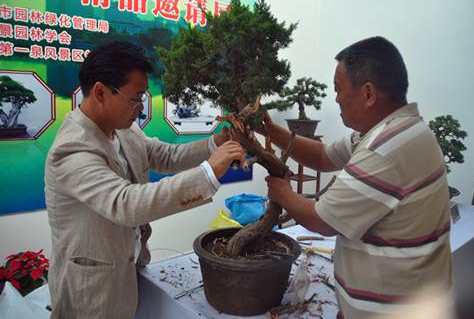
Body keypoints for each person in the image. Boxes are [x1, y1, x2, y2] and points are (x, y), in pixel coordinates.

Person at [44, 41, 245, 318]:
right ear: (101, 92)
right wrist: (208, 173)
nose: (140, 107)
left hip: (128, 269)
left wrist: (216, 143)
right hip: (91, 292)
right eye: (135, 98)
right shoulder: (72, 148)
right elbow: (125, 203)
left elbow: (167, 156)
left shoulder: (123, 130)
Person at [266, 36, 451, 318]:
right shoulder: (393, 129)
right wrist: (269, 130)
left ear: (368, 94)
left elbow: (322, 220)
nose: (337, 98)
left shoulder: (386, 148)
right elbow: (323, 156)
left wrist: (283, 193)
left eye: (338, 90)